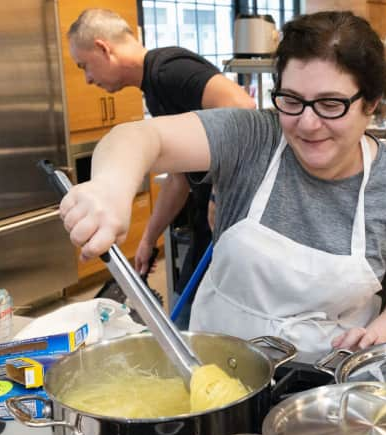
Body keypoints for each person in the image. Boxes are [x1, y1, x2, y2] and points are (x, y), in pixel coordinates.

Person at [58, 11, 386, 362]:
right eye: (291, 100)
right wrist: (111, 186)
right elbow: (139, 138)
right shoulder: (254, 139)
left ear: (372, 103)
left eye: (331, 105)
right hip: (217, 370)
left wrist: (379, 334)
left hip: (324, 387)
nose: (308, 124)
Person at [67, 9, 255, 327]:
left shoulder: (169, 69)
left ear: (103, 48)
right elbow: (179, 178)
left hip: (233, 218)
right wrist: (148, 238)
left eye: (84, 65)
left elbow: (241, 107)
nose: (87, 78)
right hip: (209, 222)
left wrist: (219, 195)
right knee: (188, 313)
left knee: (193, 318)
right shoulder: (154, 89)